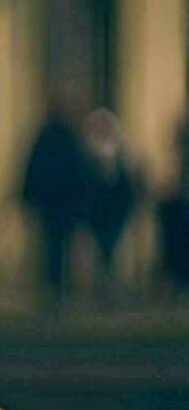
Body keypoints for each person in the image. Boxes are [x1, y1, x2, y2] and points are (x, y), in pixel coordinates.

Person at [22, 96, 87, 307]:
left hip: (50, 202)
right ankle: (58, 286)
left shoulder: (46, 137)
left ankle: (52, 285)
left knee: (50, 244)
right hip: (61, 202)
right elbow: (77, 172)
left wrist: (28, 196)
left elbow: (33, 169)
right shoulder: (69, 137)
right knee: (59, 245)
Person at [80, 107, 137, 300]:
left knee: (114, 253)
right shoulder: (88, 156)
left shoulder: (120, 157)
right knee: (98, 254)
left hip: (116, 214)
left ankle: (112, 288)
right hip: (97, 215)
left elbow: (126, 187)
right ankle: (100, 289)